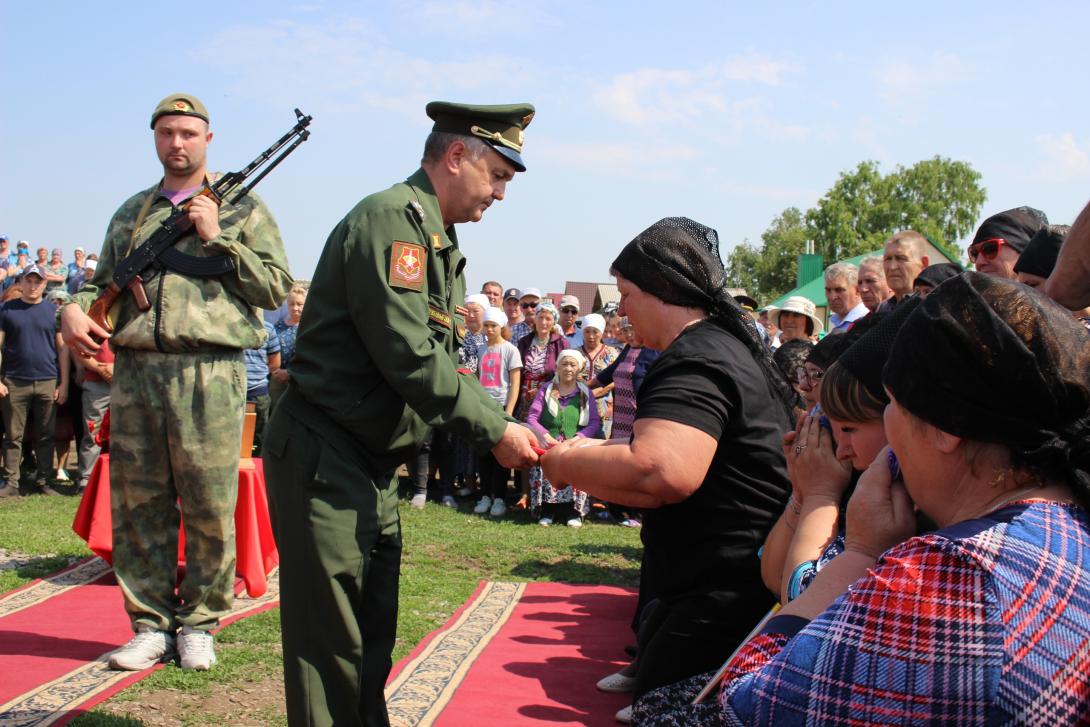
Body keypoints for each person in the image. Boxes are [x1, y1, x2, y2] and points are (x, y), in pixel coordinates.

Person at [633, 272, 1090, 725]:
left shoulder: (949, 579)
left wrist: (859, 554)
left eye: (891, 403)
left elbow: (743, 705)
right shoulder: (1072, 526)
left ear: (945, 428)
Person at [262, 100, 539, 726]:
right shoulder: (393, 221)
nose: (500, 193)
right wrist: (496, 429)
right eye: (497, 174)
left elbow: (439, 363)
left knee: (369, 638)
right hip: (326, 456)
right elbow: (412, 356)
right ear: (456, 155)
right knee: (329, 644)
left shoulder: (437, 241)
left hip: (371, 464)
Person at [60, 92, 291, 672]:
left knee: (211, 502)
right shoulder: (133, 212)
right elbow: (102, 286)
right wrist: (71, 308)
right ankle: (148, 624)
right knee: (140, 504)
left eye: (188, 133)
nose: (177, 143)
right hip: (137, 371)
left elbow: (274, 288)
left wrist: (219, 238)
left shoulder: (245, 210)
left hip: (209, 371)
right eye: (167, 133)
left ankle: (200, 623)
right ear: (155, 138)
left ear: (207, 139)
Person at [541, 217, 794, 706]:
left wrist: (567, 466)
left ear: (662, 289)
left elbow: (660, 472)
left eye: (627, 295)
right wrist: (586, 452)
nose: (623, 311)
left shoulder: (696, 357)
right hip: (719, 577)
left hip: (725, 587)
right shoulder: (719, 343)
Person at [0, 265, 70, 498]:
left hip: (47, 381)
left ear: (44, 284)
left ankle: (43, 480)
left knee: (46, 434)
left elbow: (62, 349)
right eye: (28, 281)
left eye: (37, 281)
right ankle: (11, 483)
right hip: (14, 381)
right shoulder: (6, 309)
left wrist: (64, 384)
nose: (33, 285)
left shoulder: (53, 311)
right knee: (13, 435)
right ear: (20, 282)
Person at [527, 348, 599, 527]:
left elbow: (594, 422)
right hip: (548, 443)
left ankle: (573, 512)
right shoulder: (546, 389)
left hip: (574, 443)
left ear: (579, 368)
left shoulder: (585, 393)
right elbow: (532, 418)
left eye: (573, 364)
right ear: (557, 367)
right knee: (547, 466)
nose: (568, 368)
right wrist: (544, 435)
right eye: (564, 364)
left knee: (576, 466)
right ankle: (548, 511)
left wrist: (577, 438)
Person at [472, 306, 523, 517]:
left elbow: (515, 383)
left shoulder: (510, 350)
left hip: (500, 407)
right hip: (483, 407)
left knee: (501, 455)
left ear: (501, 326)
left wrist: (508, 411)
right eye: (486, 325)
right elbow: (476, 377)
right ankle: (485, 495)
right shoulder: (480, 350)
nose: (489, 329)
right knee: (484, 453)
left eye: (493, 325)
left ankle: (500, 498)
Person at [968, 206, 1047, 280]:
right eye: (974, 253)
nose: (979, 262)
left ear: (1025, 252)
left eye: (990, 249)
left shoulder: (1055, 294)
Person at [243, 320, 280, 456]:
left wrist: (257, 374)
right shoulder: (232, 323)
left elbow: (275, 363)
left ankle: (256, 471)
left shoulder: (268, 328)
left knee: (258, 436)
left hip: (258, 393)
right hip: (232, 392)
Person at [579, 312, 618, 437]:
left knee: (601, 446)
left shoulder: (612, 353)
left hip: (604, 408)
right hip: (579, 406)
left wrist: (599, 391)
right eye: (587, 331)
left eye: (595, 331)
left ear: (601, 332)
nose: (591, 336)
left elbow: (616, 379)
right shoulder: (574, 353)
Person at [269, 283, 307, 408]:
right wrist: (277, 372)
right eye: (292, 304)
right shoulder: (278, 326)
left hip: (300, 380)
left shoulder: (310, 327)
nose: (295, 308)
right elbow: (269, 351)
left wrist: (290, 373)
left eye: (299, 304)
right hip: (277, 380)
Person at [880, 230, 929, 307]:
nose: (892, 267)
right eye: (888, 259)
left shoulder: (932, 307)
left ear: (923, 263)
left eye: (900, 258)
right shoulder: (884, 308)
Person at [823, 262, 867, 334]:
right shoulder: (834, 321)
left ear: (857, 290)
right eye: (828, 290)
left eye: (839, 290)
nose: (832, 297)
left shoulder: (867, 322)